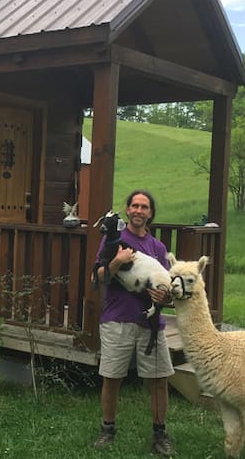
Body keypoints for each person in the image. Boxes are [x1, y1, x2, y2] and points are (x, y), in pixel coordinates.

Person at [92, 190, 175, 456]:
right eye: (135, 206)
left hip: (151, 324)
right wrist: (117, 261)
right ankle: (108, 430)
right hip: (118, 319)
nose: (139, 210)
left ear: (150, 213)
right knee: (113, 378)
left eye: (145, 207)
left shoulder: (158, 248)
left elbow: (169, 291)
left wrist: (165, 296)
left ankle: (160, 436)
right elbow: (98, 279)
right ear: (127, 210)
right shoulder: (112, 240)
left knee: (159, 380)